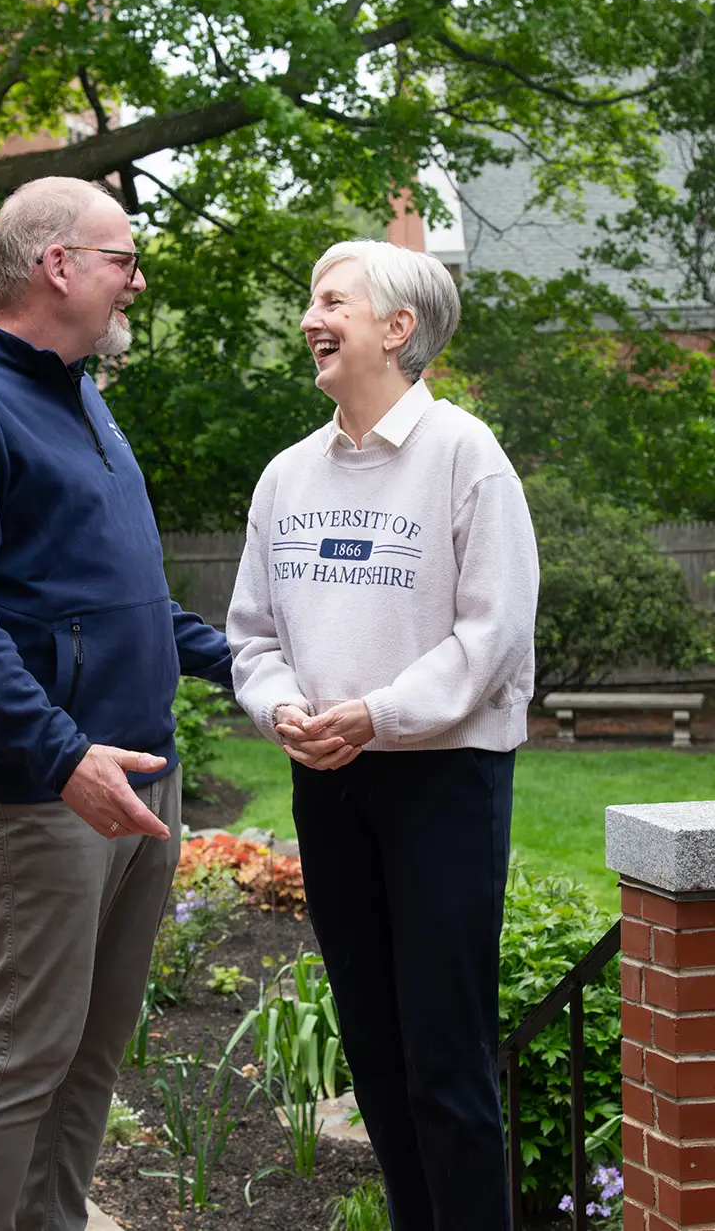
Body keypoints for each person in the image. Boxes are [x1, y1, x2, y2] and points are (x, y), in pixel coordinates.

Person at [0, 176, 232, 1231]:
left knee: (89, 1057)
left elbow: (125, 598)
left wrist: (247, 663)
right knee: (22, 1059)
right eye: (122, 257)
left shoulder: (80, 394)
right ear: (57, 266)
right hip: (43, 793)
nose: (135, 278)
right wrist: (61, 755)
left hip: (138, 784)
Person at [226, 239, 539, 1231]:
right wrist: (278, 704)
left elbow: (491, 635)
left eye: (332, 302)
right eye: (311, 301)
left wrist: (381, 713)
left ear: (397, 329)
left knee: (445, 1055)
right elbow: (253, 633)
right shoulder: (286, 477)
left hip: (442, 780)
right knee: (374, 1047)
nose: (312, 320)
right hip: (328, 781)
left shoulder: (464, 456)